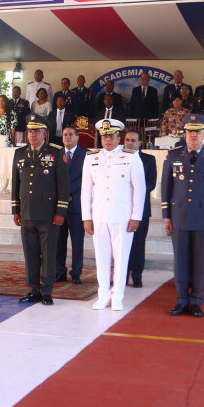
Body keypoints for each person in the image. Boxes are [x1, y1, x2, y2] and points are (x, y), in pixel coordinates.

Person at [161, 115, 204, 316]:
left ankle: (196, 300)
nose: (193, 135)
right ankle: (181, 300)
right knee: (180, 260)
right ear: (185, 134)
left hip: (203, 217)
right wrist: (167, 216)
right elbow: (166, 186)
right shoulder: (173, 154)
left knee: (199, 261)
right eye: (190, 131)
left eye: (197, 131)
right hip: (179, 215)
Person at [82, 119, 146, 311]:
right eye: (104, 136)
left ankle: (117, 295)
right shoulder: (91, 157)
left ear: (119, 138)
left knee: (121, 257)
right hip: (99, 216)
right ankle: (103, 295)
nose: (107, 140)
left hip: (122, 216)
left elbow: (140, 189)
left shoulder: (131, 157)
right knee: (101, 257)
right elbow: (85, 191)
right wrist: (86, 217)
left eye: (111, 136)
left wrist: (136, 216)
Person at [11, 117, 69, 305]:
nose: (33, 135)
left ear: (45, 133)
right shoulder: (20, 153)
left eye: (37, 131)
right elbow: (16, 184)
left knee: (48, 254)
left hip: (48, 214)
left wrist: (60, 211)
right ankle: (33, 289)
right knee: (30, 254)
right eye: (30, 131)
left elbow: (63, 185)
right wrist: (16, 209)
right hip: (27, 212)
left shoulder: (56, 152)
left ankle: (47, 291)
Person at [123, 129, 157, 287]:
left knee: (138, 243)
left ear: (140, 142)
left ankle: (137, 275)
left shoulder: (148, 159)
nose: (129, 143)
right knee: (121, 244)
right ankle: (122, 276)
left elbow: (151, 183)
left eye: (133, 140)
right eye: (127, 140)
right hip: (121, 207)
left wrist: (134, 190)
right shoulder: (118, 158)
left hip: (141, 209)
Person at [55, 126, 88, 285]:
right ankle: (59, 271)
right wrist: (61, 195)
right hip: (59, 207)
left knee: (77, 242)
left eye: (70, 135)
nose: (67, 137)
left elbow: (87, 179)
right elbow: (52, 178)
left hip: (77, 204)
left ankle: (76, 272)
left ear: (77, 137)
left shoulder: (86, 154)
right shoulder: (56, 154)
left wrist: (69, 193)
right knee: (58, 242)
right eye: (65, 135)